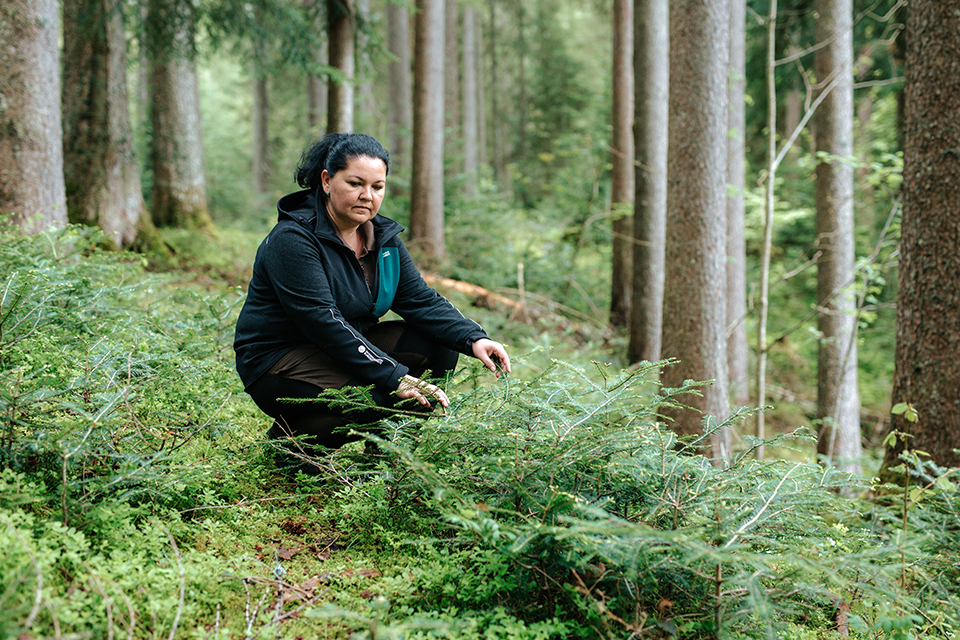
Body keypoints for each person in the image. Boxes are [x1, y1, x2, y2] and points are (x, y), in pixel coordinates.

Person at [234, 133, 511, 465]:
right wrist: (394, 376)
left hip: (345, 347)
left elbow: (419, 299)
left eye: (377, 187)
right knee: (379, 394)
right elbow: (323, 322)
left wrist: (473, 337)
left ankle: (386, 455)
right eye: (355, 183)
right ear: (326, 181)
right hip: (278, 362)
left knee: (441, 344)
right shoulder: (293, 240)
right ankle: (293, 446)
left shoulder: (382, 238)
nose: (367, 195)